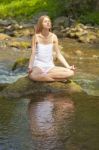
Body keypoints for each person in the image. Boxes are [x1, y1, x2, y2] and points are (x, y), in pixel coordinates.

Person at [28, 15, 75, 82]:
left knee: (71, 73)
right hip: (38, 66)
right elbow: (33, 53)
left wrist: (68, 66)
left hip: (50, 67)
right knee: (32, 75)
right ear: (41, 24)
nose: (48, 23)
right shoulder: (36, 37)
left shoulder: (54, 36)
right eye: (45, 22)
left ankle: (45, 77)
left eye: (49, 21)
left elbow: (58, 54)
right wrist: (30, 67)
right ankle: (58, 79)